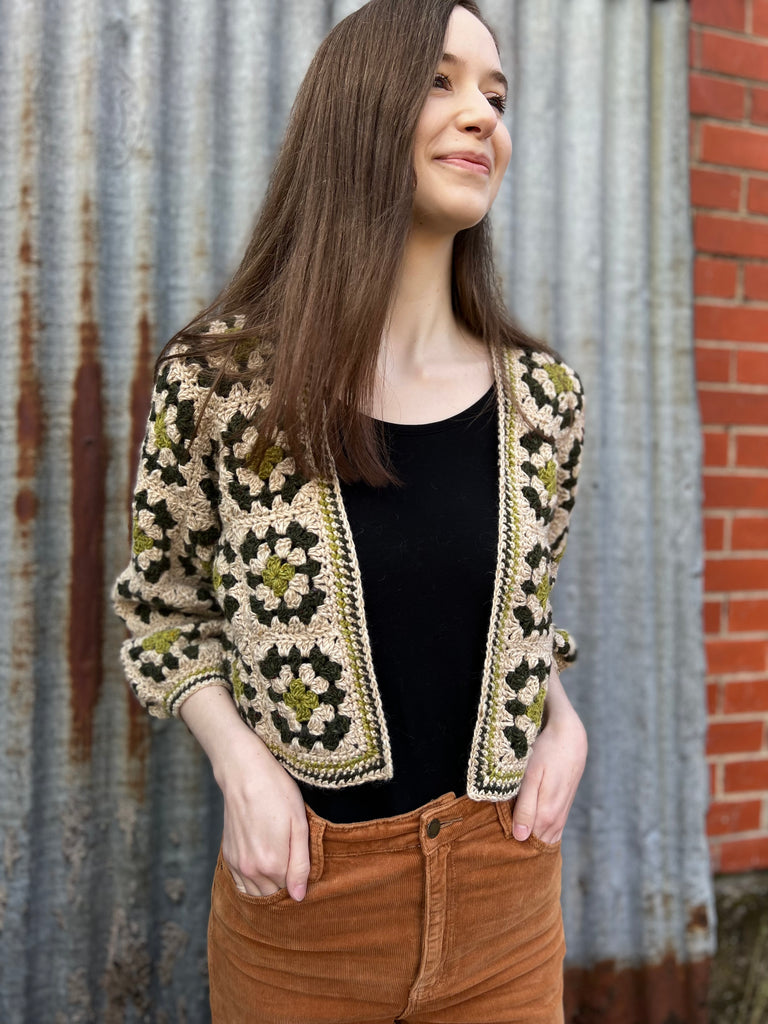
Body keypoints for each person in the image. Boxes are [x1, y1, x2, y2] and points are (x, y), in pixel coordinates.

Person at [113, 1, 588, 1020]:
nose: (483, 115)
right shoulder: (219, 381)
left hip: (506, 899)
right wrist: (240, 762)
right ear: (358, 107)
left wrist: (565, 722)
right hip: (305, 914)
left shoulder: (544, 400)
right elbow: (162, 611)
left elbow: (527, 611)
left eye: (496, 95)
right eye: (441, 81)